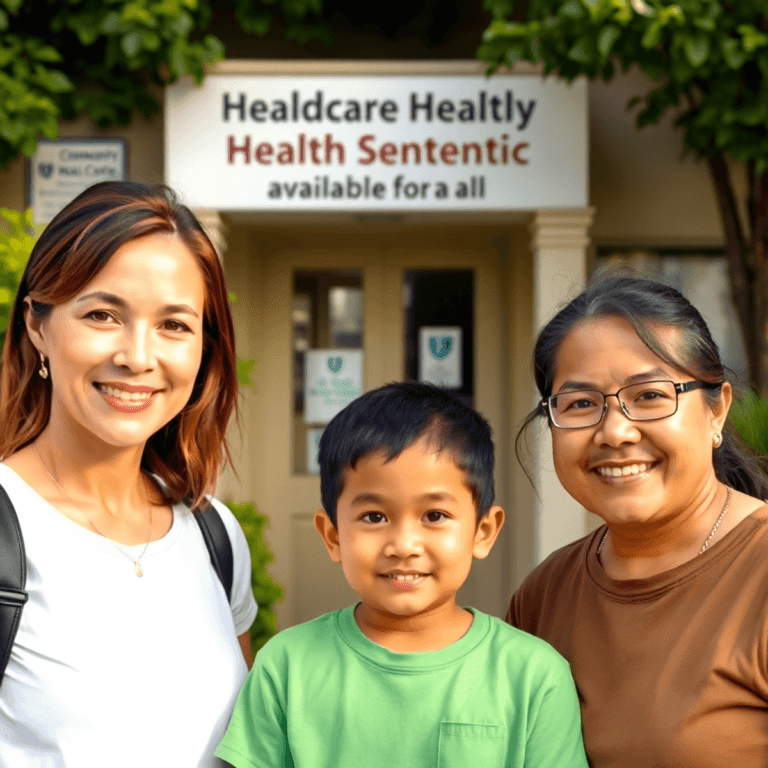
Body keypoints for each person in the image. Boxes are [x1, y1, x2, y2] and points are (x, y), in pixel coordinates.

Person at [0, 181, 258, 767]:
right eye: (102, 314)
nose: (138, 356)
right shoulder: (7, 529)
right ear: (38, 325)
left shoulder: (214, 534)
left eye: (174, 325)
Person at [216, 381, 588, 768]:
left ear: (483, 532)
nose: (404, 544)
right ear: (333, 536)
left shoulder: (533, 676)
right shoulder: (287, 666)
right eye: (374, 517)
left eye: (435, 516)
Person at [508, 273, 768, 768]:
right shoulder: (544, 595)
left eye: (650, 395)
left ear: (717, 412)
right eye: (581, 403)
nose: (616, 432)